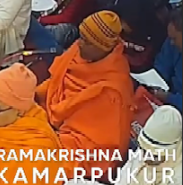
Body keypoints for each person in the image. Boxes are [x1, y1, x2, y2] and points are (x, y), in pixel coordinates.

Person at [36, 11, 133, 173]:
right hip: (50, 118)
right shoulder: (79, 49)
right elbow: (55, 83)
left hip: (79, 147)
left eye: (87, 42)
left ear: (103, 47)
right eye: (81, 37)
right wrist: (33, 94)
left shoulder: (113, 90)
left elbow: (96, 144)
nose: (79, 44)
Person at [60, 106, 181, 185]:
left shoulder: (178, 180)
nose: (145, 157)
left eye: (153, 155)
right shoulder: (147, 146)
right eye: (144, 151)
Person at [153, 8, 182, 112]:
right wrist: (155, 83)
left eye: (174, 39)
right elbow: (161, 65)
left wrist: (169, 98)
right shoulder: (172, 45)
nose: (171, 43)